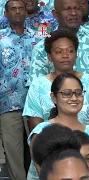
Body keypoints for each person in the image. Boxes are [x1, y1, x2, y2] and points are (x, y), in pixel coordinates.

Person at [28, 0, 89, 96]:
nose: (73, 13)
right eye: (67, 9)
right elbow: (37, 90)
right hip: (56, 108)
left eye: (77, 8)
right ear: (56, 14)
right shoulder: (42, 48)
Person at [23, 29, 89, 131]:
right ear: (50, 56)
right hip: (50, 143)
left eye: (70, 51)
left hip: (86, 142)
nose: (65, 55)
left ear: (76, 54)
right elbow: (36, 127)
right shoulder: (38, 85)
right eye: (59, 52)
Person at [27, 73, 89, 180]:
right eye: (67, 93)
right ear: (54, 98)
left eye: (78, 93)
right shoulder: (42, 131)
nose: (74, 98)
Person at [0, 0, 40, 178]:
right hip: (7, 104)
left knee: (39, 147)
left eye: (20, 9)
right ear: (5, 13)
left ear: (26, 12)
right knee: (13, 152)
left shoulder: (38, 38)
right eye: (13, 9)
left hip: (35, 103)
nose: (17, 12)